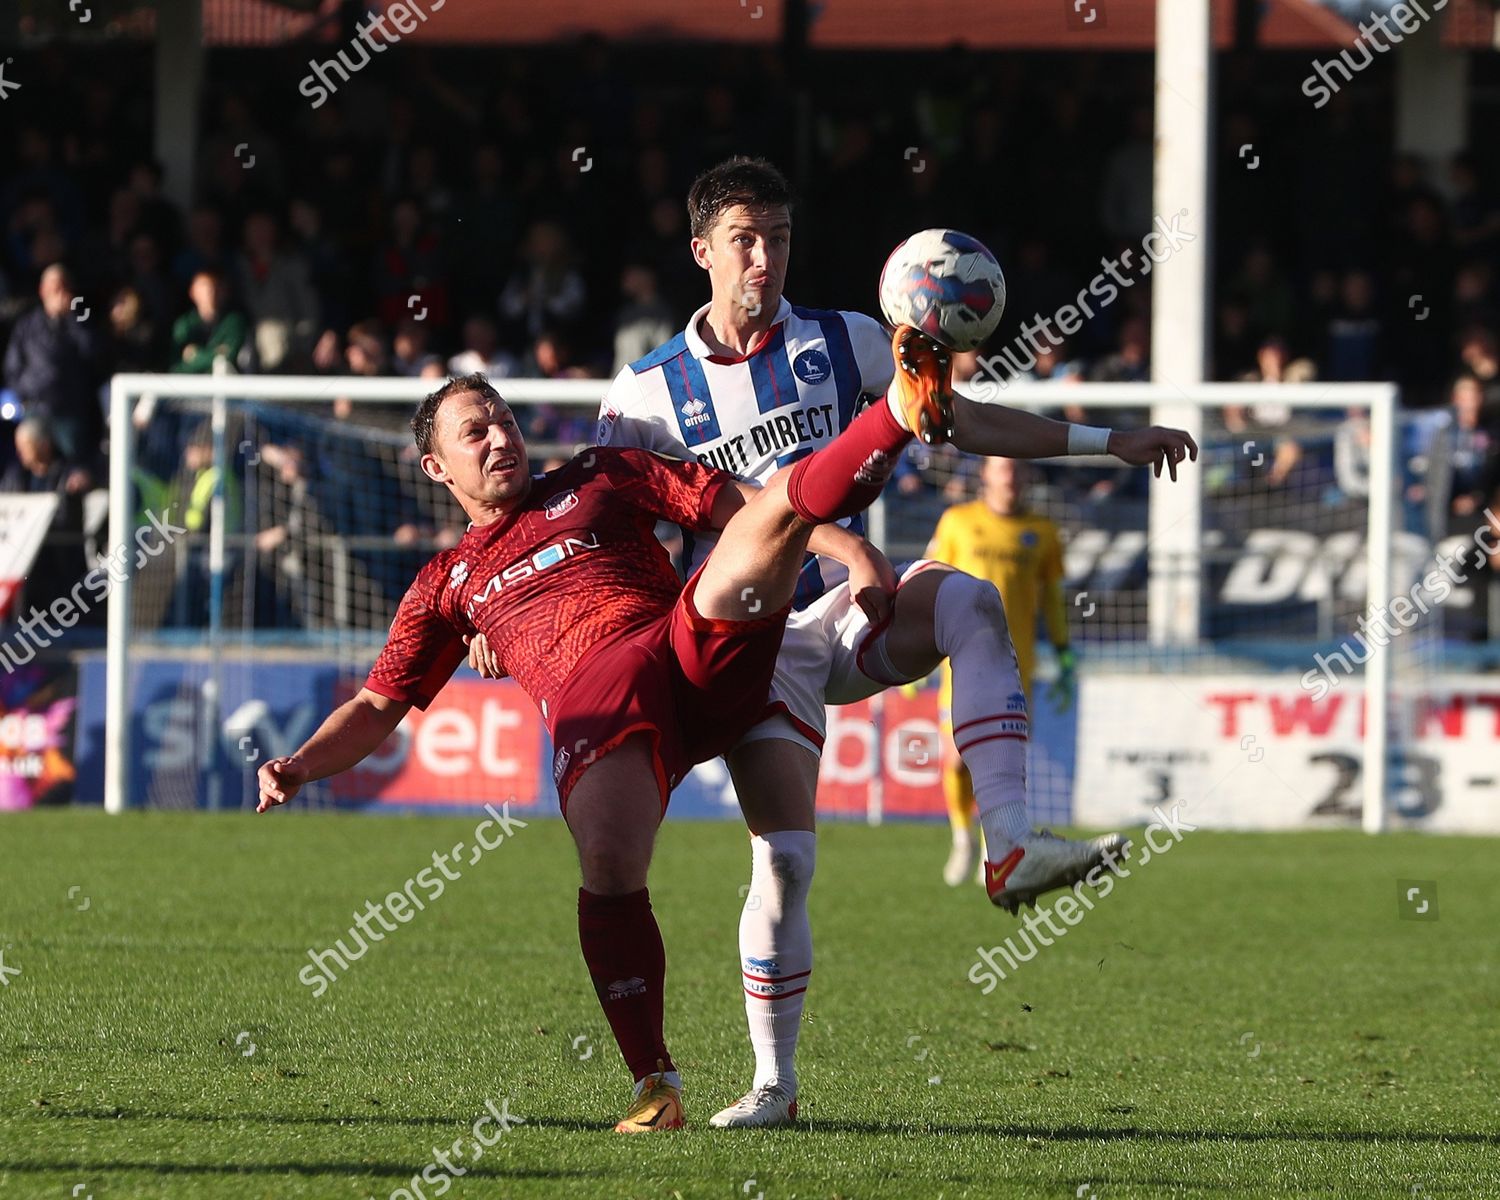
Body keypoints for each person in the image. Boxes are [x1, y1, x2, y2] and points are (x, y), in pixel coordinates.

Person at [466, 157, 1197, 1129]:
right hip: (748, 645)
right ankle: (775, 1086)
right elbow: (608, 521)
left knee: (973, 604)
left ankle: (1012, 846)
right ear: (702, 253)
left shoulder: (844, 340)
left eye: (777, 236)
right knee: (787, 862)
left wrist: (1109, 442)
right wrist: (508, 613)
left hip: (856, 610)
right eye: (743, 239)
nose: (764, 257)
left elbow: (956, 420)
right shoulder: (644, 396)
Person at [254, 348, 959, 1133]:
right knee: (612, 867)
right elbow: (378, 702)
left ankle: (897, 411)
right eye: (475, 431)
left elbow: (737, 502)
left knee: (760, 538)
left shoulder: (599, 473)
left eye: (506, 421)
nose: (500, 439)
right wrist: (301, 764)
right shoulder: (448, 581)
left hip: (683, 641)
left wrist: (851, 547)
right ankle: (655, 1084)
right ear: (435, 465)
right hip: (601, 698)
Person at [925, 458, 1070, 885]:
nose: (1009, 475)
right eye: (1001, 467)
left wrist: (1064, 652)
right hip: (959, 658)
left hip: (1015, 664)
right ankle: (962, 838)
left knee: (1003, 759)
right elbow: (929, 581)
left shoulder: (1042, 532)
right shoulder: (957, 522)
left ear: (1026, 477)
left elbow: (1053, 599)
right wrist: (917, 655)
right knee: (954, 759)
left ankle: (997, 847)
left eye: (1017, 468)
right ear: (984, 474)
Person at [3, 264, 106, 464]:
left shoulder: (81, 319)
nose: (58, 294)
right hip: (36, 407)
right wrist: (30, 390)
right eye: (53, 288)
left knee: (75, 462)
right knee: (27, 446)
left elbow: (94, 355)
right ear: (42, 291)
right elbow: (12, 368)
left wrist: (72, 317)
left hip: (71, 412)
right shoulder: (27, 325)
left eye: (63, 288)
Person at [170, 269, 247, 374]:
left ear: (226, 291)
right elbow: (177, 366)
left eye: (216, 286)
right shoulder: (184, 324)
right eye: (204, 286)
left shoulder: (234, 321)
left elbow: (229, 357)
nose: (211, 292)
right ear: (192, 292)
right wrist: (216, 353)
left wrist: (196, 356)